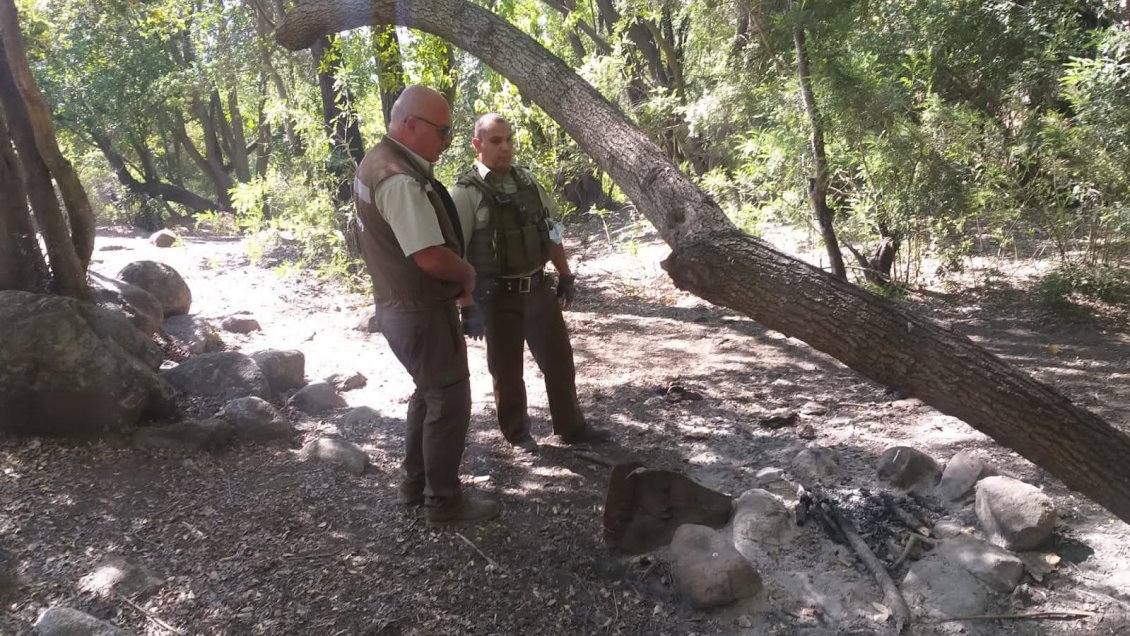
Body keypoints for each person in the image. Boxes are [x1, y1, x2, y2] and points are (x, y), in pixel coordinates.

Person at [353, 86, 499, 526]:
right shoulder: (398, 179)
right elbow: (429, 256)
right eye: (442, 131)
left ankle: (414, 485)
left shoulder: (377, 161)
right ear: (410, 125)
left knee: (429, 391)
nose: (448, 140)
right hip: (419, 310)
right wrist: (467, 274)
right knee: (450, 399)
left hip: (398, 306)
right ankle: (444, 502)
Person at [450, 113, 612, 454]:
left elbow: (551, 231)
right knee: (507, 372)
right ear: (477, 145)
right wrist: (467, 304)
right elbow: (456, 252)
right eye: (496, 141)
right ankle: (517, 434)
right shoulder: (466, 193)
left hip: (538, 291)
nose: (505, 148)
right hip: (498, 298)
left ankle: (571, 426)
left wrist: (565, 275)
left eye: (509, 140)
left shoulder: (528, 182)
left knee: (560, 361)